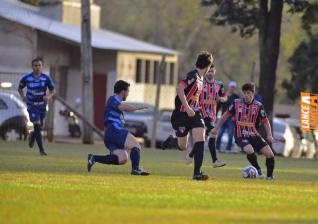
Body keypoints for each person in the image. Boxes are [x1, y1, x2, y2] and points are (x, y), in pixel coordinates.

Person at [162, 51, 213, 180]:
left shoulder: (202, 79)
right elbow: (179, 88)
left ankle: (197, 173)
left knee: (200, 138)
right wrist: (187, 107)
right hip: (182, 115)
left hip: (195, 113)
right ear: (208, 66)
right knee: (182, 146)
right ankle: (172, 141)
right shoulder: (193, 75)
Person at [211, 82, 276, 180]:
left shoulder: (258, 106)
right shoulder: (236, 103)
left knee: (270, 154)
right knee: (249, 150)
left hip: (254, 135)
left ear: (253, 93)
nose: (246, 95)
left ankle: (270, 176)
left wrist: (269, 135)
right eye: (244, 93)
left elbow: (265, 121)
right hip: (240, 135)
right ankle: (258, 170)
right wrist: (216, 128)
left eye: (248, 93)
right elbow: (225, 115)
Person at [87, 80, 150, 176]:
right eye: (127, 91)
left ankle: (94, 158)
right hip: (113, 130)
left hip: (109, 134)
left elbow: (121, 109)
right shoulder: (114, 99)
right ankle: (136, 169)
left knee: (122, 158)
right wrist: (138, 107)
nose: (128, 94)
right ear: (123, 91)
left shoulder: (116, 102)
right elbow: (123, 107)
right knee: (135, 145)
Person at [186, 64, 227, 168]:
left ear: (215, 72)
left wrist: (222, 99)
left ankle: (190, 155)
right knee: (213, 132)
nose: (210, 73)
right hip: (201, 112)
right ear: (206, 71)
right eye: (209, 71)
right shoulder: (200, 83)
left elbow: (224, 97)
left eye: (212, 71)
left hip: (212, 113)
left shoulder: (219, 84)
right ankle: (215, 160)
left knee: (203, 138)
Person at [18, 58, 56, 156]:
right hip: (32, 105)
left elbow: (53, 90)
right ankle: (42, 150)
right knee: (37, 125)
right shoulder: (27, 78)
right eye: (35, 65)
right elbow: (20, 88)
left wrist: (48, 96)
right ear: (32, 67)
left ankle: (32, 136)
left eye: (39, 65)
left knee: (39, 126)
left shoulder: (46, 78)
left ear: (42, 66)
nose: (37, 67)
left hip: (42, 106)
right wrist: (23, 97)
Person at [215, 81, 239, 152]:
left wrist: (235, 116)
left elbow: (238, 108)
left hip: (231, 118)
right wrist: (215, 116)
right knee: (220, 133)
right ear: (229, 87)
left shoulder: (236, 97)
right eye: (231, 87)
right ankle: (217, 148)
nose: (232, 88)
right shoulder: (223, 95)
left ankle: (228, 149)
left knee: (230, 134)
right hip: (223, 118)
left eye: (233, 87)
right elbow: (218, 106)